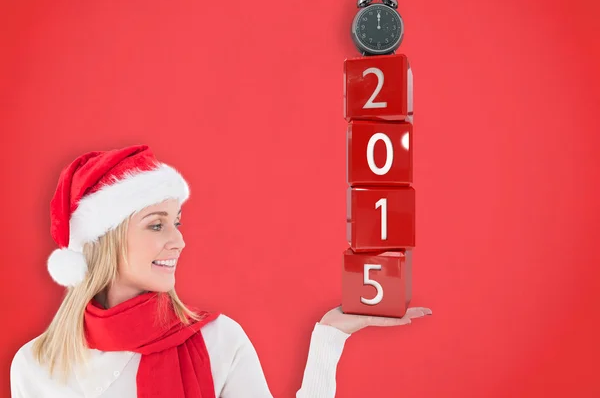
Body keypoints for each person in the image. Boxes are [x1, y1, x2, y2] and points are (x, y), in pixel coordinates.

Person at [9, 144, 432, 398]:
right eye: (157, 224)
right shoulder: (35, 366)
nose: (178, 240)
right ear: (104, 239)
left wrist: (330, 337)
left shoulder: (218, 340)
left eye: (178, 222)